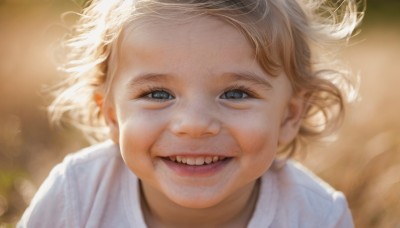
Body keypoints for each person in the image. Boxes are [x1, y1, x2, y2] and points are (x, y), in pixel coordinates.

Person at [18, 0, 364, 227]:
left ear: (289, 117)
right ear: (111, 114)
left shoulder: (316, 216)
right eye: (157, 94)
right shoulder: (78, 198)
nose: (195, 125)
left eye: (236, 93)